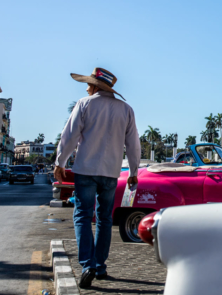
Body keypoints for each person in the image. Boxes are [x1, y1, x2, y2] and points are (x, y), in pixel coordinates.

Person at [54, 68, 140, 289]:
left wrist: (60, 163)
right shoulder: (126, 110)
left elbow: (70, 136)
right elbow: (133, 145)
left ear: (96, 87)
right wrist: (133, 172)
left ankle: (87, 265)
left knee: (82, 215)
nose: (86, 87)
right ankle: (100, 266)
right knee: (105, 219)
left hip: (86, 169)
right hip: (111, 172)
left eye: (89, 84)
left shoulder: (85, 103)